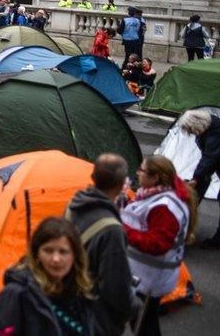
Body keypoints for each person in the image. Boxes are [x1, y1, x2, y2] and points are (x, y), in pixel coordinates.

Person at [123, 156, 196, 336]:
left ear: (155, 177)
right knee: (145, 323)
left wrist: (121, 230)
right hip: (146, 276)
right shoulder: (156, 195)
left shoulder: (165, 206)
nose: (138, 173)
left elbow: (158, 244)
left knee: (143, 326)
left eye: (141, 170)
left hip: (149, 279)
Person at [66, 154, 136, 336]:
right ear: (122, 184)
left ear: (93, 177)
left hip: (69, 296)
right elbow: (115, 286)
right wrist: (133, 306)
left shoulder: (74, 204)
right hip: (91, 309)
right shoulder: (111, 229)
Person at [0, 217, 96, 336]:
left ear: (75, 256)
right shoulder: (16, 293)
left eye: (63, 252)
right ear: (37, 254)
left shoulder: (79, 292)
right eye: (48, 251)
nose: (56, 259)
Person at [180, 109, 220, 249]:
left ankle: (218, 241)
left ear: (197, 125)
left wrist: (196, 177)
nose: (190, 133)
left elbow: (210, 157)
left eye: (191, 130)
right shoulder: (208, 128)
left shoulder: (215, 132)